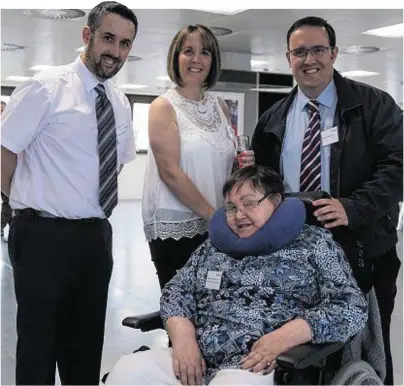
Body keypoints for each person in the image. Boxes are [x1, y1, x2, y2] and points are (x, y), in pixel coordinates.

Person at [106, 165, 367, 385]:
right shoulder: (215, 246)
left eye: (249, 203)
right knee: (127, 372)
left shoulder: (313, 243)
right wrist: (183, 339)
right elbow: (177, 290)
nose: (239, 215)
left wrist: (283, 338)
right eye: (231, 207)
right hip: (196, 359)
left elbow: (351, 306)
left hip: (261, 362)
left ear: (276, 202)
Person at [250, 16, 403, 385]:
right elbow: (265, 187)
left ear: (334, 53)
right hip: (297, 261)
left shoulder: (373, 105)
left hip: (363, 253)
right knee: (305, 352)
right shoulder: (273, 119)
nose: (309, 59)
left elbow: (397, 166)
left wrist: (352, 208)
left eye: (318, 49)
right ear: (288, 58)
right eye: (299, 52)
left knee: (369, 349)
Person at [1, 2, 138, 384]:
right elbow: (4, 150)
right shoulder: (45, 88)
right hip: (43, 235)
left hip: (95, 237)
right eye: (108, 38)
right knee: (37, 351)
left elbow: (118, 161)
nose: (116, 50)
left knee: (85, 347)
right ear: (87, 35)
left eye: (125, 43)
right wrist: (24, 201)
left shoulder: (120, 101)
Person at [142, 24, 254, 291]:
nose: (196, 59)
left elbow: (225, 163)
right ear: (175, 57)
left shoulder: (221, 106)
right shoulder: (163, 106)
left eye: (205, 52)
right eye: (188, 51)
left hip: (218, 224)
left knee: (214, 308)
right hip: (179, 227)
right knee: (183, 313)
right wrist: (214, 217)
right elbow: (169, 172)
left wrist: (241, 165)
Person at [1, 100, 12, 241]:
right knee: (9, 202)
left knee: (9, 201)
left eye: (3, 110)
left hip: (7, 171)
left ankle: (10, 227)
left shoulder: (9, 128)